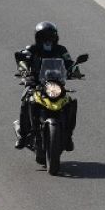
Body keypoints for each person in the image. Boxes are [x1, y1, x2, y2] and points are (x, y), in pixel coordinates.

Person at [14, 22, 77, 151]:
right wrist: (25, 72)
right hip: (36, 83)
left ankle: (68, 136)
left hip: (56, 84)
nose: (47, 39)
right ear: (38, 37)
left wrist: (75, 70)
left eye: (50, 36)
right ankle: (23, 135)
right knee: (27, 99)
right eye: (44, 36)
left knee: (70, 103)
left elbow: (69, 62)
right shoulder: (31, 49)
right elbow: (22, 59)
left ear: (55, 36)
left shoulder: (61, 50)